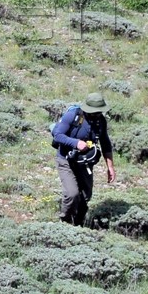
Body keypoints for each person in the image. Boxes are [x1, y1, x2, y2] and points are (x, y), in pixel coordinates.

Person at [50, 92, 116, 226]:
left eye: (99, 112)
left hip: (85, 163)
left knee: (85, 196)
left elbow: (105, 143)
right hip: (66, 160)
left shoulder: (100, 121)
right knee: (72, 194)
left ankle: (79, 224)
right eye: (94, 112)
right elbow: (57, 135)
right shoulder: (73, 115)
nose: (97, 114)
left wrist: (110, 167)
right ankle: (64, 223)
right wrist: (76, 143)